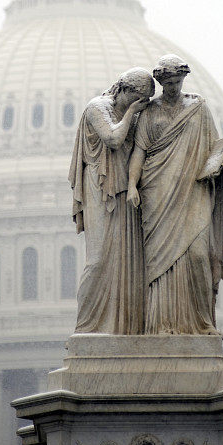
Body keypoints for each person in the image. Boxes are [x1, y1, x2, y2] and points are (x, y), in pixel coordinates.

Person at [128, 54, 223, 334]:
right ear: (160, 82)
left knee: (199, 255)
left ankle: (201, 323)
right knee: (160, 263)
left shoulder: (198, 108)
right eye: (168, 83)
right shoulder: (149, 112)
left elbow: (215, 148)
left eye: (178, 82)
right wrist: (132, 185)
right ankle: (161, 324)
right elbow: (139, 152)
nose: (174, 88)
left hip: (194, 190)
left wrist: (216, 166)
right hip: (157, 192)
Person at [69, 67, 155, 334]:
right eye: (139, 99)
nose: (141, 106)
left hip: (124, 193)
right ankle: (88, 326)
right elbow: (113, 139)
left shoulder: (134, 114)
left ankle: (122, 326)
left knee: (125, 262)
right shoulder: (98, 107)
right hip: (100, 186)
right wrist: (131, 112)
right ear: (125, 90)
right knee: (98, 259)